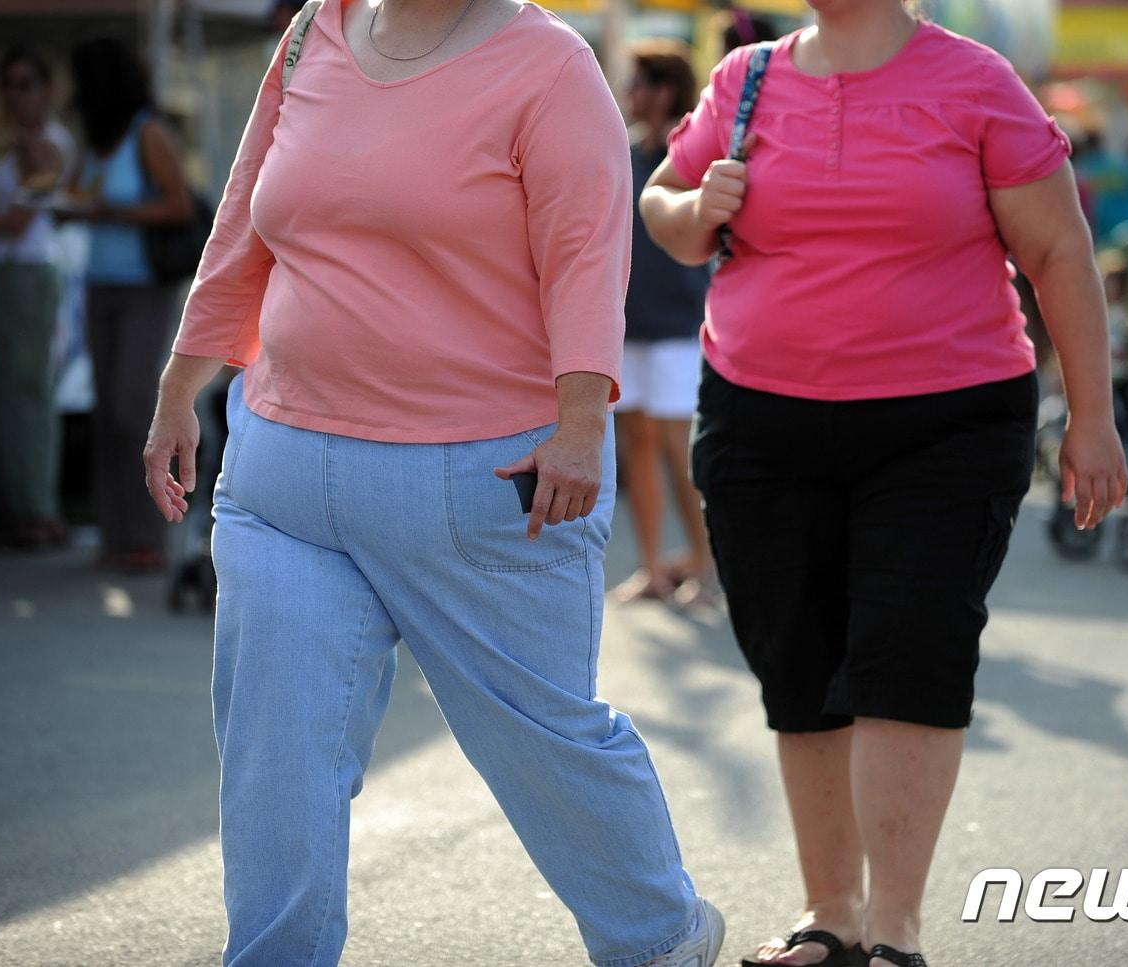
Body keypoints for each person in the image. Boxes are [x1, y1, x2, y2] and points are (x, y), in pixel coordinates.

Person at [142, 2, 720, 965]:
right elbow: (246, 221)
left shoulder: (549, 66)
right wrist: (178, 387)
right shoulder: (310, 36)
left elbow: (585, 253)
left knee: (544, 744)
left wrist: (582, 423)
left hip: (485, 474)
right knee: (275, 766)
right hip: (282, 474)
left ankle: (660, 939)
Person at [640, 0, 1127, 965]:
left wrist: (1094, 416)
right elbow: (664, 206)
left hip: (943, 426)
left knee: (910, 650)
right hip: (761, 421)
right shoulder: (748, 80)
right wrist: (699, 209)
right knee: (799, 662)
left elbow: (1060, 253)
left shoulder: (978, 82)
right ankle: (835, 916)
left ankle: (895, 929)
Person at [64, 36, 193, 573]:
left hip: (145, 286)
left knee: (131, 408)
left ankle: (150, 534)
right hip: (101, 284)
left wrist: (113, 212)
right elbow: (74, 194)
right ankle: (115, 535)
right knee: (108, 415)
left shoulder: (149, 132)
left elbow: (180, 205)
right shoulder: (94, 139)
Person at [0, 47, 74, 547]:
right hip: (5, 272)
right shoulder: (20, 141)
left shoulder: (47, 143)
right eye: (9, 84)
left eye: (26, 84)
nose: (15, 94)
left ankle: (37, 509)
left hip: (27, 272)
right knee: (6, 396)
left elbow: (21, 217)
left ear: (46, 90)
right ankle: (18, 507)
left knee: (26, 396)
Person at [615, 39, 716, 605]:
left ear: (665, 90)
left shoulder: (692, 153)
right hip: (625, 324)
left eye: (637, 83)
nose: (629, 94)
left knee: (679, 451)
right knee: (637, 448)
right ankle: (652, 569)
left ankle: (704, 566)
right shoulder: (624, 152)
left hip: (680, 324)